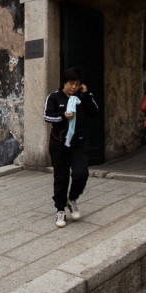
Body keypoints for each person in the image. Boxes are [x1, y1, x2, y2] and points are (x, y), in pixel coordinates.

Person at [43, 67, 99, 228]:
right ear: (64, 83)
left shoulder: (82, 97)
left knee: (81, 174)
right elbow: (47, 116)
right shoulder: (54, 97)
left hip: (79, 143)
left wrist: (86, 94)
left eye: (77, 84)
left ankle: (72, 198)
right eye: (70, 83)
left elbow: (94, 111)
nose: (73, 87)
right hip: (59, 144)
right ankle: (60, 209)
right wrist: (62, 116)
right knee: (61, 177)